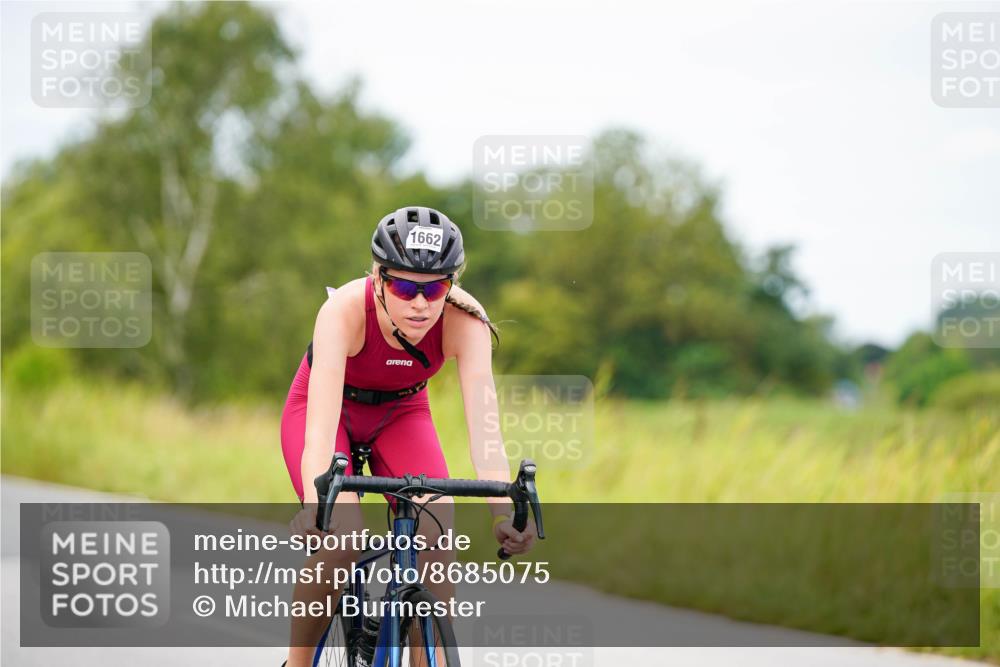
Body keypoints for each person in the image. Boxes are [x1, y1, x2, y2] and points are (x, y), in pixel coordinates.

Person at [279, 206, 537, 666]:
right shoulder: (342, 310)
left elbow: (485, 427)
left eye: (435, 288)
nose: (420, 303)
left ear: (451, 286)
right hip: (329, 407)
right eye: (403, 286)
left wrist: (504, 512)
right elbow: (319, 430)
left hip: (401, 412)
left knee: (438, 524)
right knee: (343, 540)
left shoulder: (467, 321)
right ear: (379, 276)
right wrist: (314, 508)